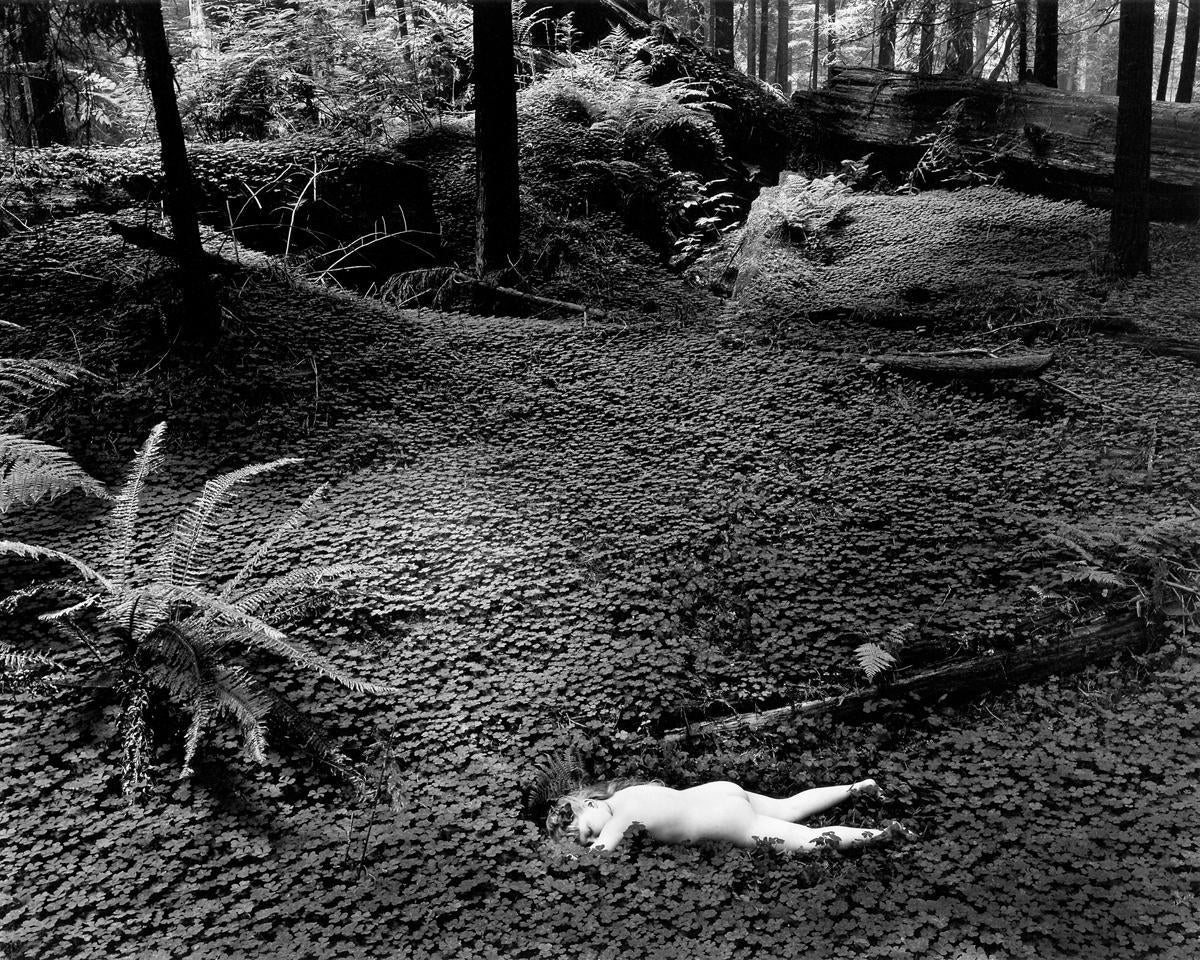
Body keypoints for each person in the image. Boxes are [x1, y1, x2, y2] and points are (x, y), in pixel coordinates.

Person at [547, 778, 915, 853]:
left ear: (591, 806)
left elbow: (603, 851)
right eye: (588, 840)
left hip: (726, 819)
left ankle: (880, 835)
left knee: (807, 842)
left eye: (587, 831)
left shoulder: (619, 817)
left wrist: (568, 855)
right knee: (789, 805)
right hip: (719, 791)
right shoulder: (629, 792)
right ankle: (854, 788)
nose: (594, 838)